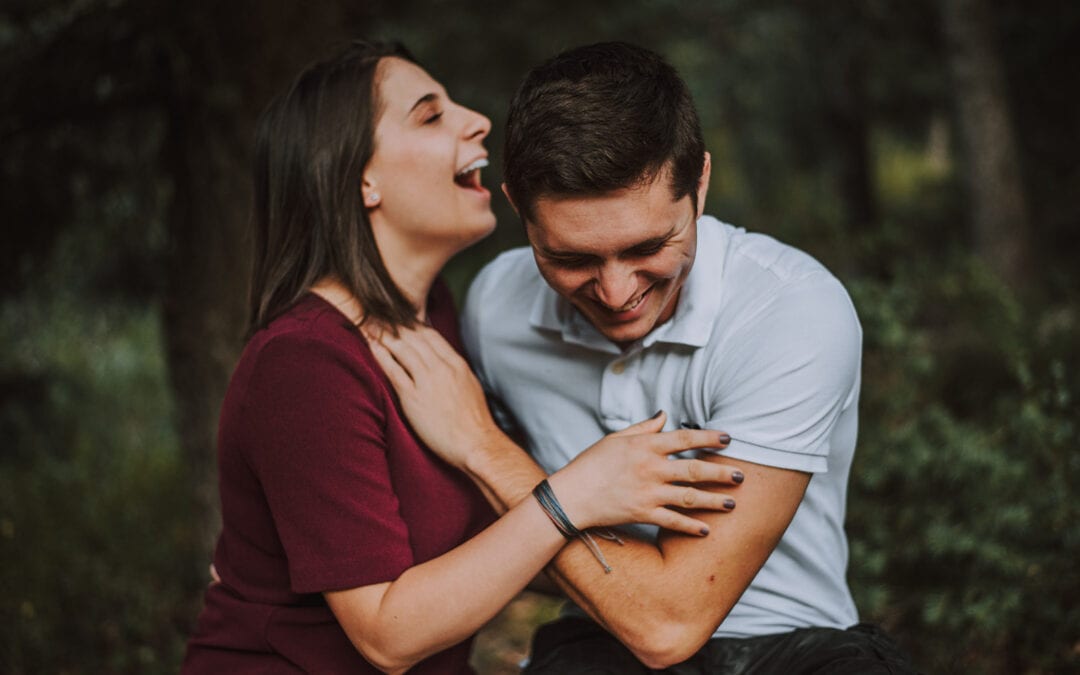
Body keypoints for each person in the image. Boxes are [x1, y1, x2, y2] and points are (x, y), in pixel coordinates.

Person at [179, 40, 748, 674]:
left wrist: (677, 583)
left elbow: (476, 545)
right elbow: (387, 637)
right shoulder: (305, 362)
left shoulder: (437, 320)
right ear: (359, 177)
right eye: (430, 114)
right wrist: (572, 496)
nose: (477, 120)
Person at [368, 42, 919, 673]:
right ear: (517, 208)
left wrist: (484, 449)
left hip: (798, 645)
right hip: (597, 646)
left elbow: (668, 624)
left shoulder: (791, 310)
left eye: (648, 246)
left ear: (701, 184)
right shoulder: (496, 305)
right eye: (572, 259)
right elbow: (463, 533)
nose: (617, 292)